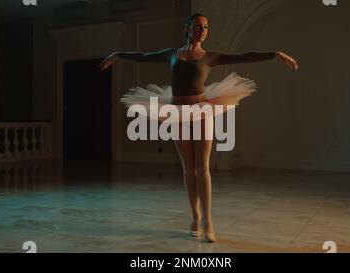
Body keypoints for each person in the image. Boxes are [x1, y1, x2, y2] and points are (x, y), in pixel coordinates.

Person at [99, 13, 299, 243]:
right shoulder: (171, 54)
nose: (202, 30)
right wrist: (117, 54)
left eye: (205, 27)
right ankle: (195, 216)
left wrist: (276, 54)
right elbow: (143, 56)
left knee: (202, 167)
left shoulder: (210, 57)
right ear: (187, 28)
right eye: (197, 26)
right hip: (177, 113)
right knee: (189, 168)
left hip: (202, 111)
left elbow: (244, 56)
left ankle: (208, 221)